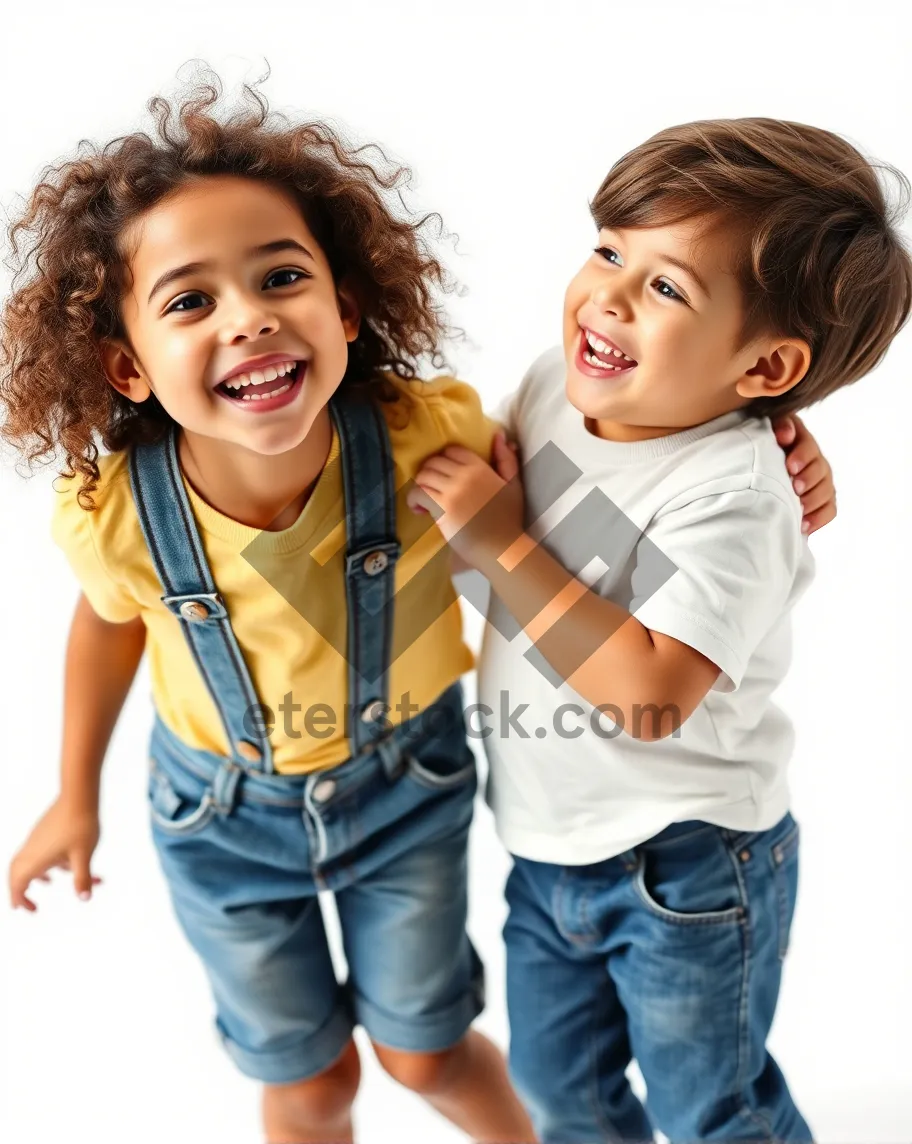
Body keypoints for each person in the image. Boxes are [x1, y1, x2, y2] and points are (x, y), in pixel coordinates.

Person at [1, 75, 534, 1144]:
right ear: (128, 366)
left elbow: (588, 485)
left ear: (341, 310)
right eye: (189, 300)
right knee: (312, 1081)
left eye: (280, 277)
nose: (248, 318)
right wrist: (73, 795)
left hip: (407, 787)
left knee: (425, 1047)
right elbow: (108, 627)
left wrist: (763, 460)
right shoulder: (117, 518)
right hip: (220, 821)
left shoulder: (430, 433)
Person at [409, 117, 909, 1141]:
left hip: (687, 863)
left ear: (766, 370)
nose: (608, 296)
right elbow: (487, 530)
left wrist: (498, 542)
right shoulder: (558, 384)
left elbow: (648, 694)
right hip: (548, 846)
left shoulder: (736, 494)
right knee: (559, 1093)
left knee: (712, 1110)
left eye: (667, 287)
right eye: (608, 250)